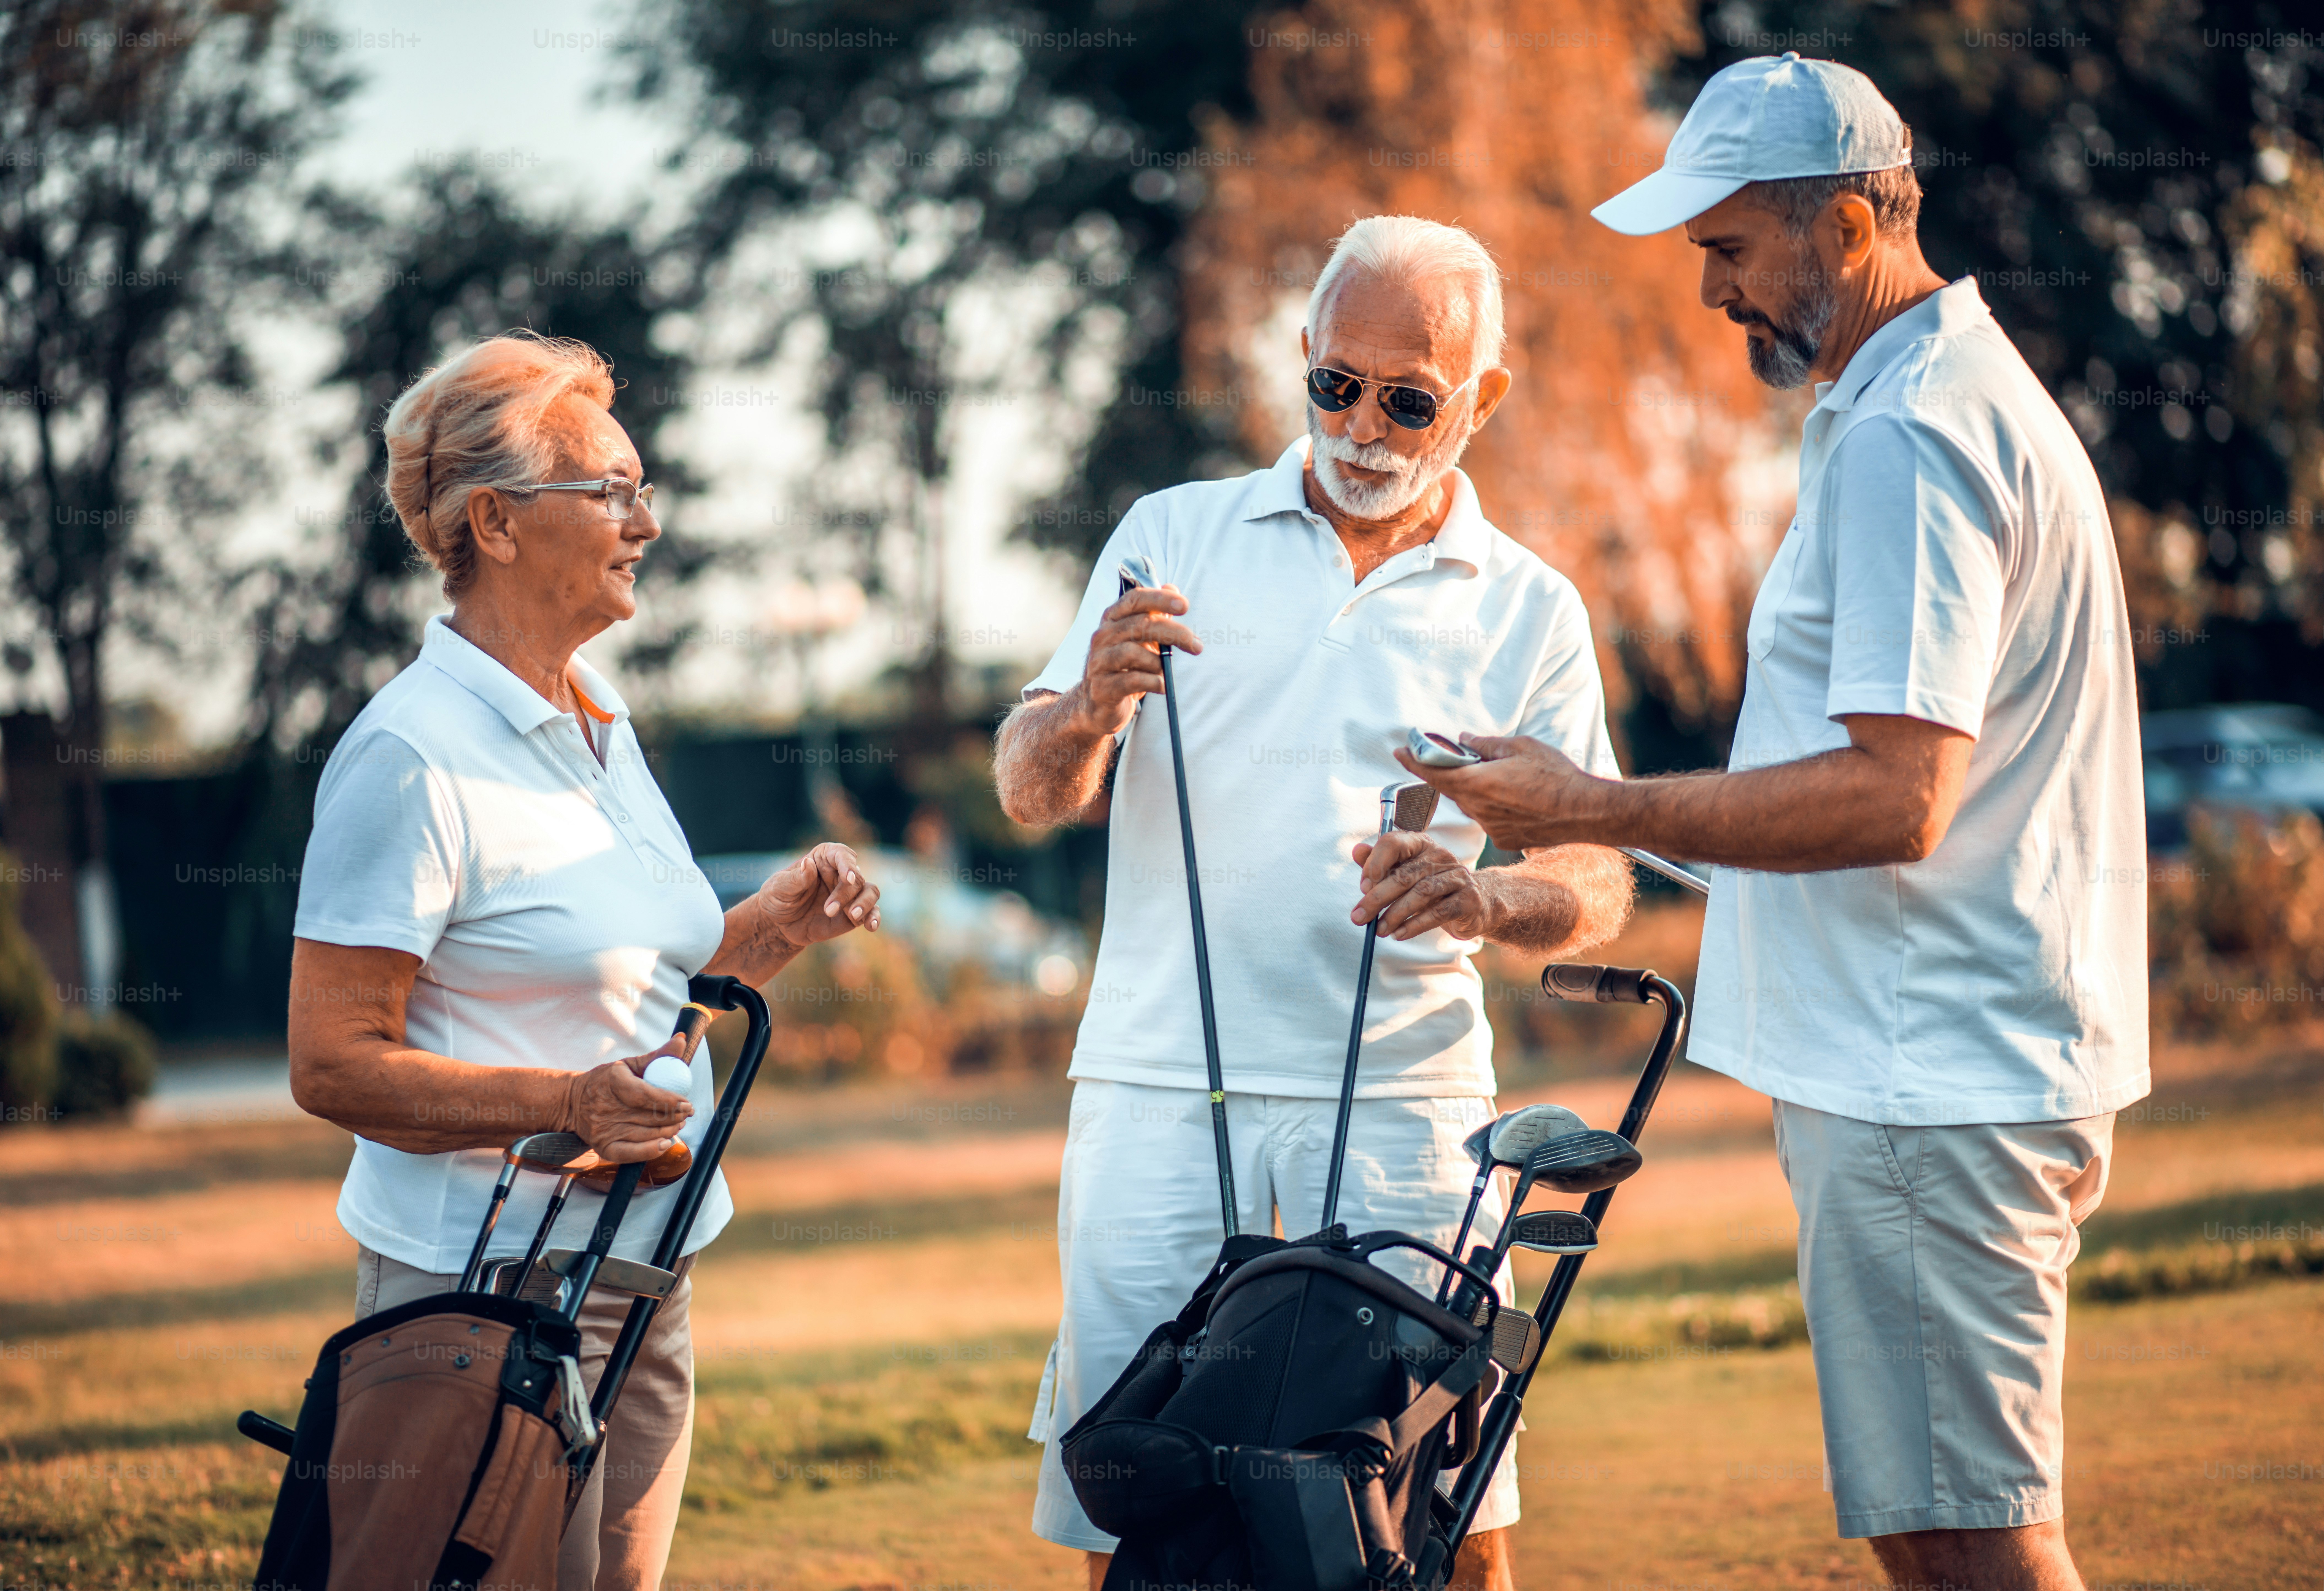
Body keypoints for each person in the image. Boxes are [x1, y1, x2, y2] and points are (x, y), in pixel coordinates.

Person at [1404, 55, 2148, 1591]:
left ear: (1858, 225)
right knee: (1948, 1530)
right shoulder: (1931, 404)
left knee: (1972, 1546)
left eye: (1730, 250)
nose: (1711, 297)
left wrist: (1590, 806)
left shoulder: (1911, 440)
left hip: (1929, 1080)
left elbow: (1897, 796)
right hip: (1948, 1069)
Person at [994, 215, 1636, 1591]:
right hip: (1158, 1085)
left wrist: (1479, 895)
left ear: (1483, 400)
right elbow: (1027, 786)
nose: (1361, 424)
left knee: (1444, 1495)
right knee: (1139, 1486)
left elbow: (1594, 882)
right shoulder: (1171, 535)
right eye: (1332, 383)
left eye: (1408, 400)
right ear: (1300, 357)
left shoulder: (1530, 607)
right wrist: (1086, 711)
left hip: (1412, 1107)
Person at [287, 331, 882, 1591]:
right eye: (610, 491)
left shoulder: (598, 716)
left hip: (644, 1270)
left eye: (642, 489)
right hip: (478, 1292)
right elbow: (332, 1061)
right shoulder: (411, 755)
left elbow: (637, 995)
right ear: (495, 524)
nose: (644, 523)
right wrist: (560, 1105)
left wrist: (770, 929)